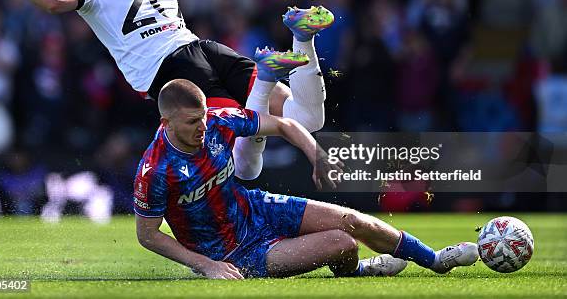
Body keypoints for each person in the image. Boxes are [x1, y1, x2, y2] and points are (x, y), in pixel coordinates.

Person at [0, 0, 334, 181]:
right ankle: (301, 38)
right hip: (205, 49)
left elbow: (54, 0)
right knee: (306, 118)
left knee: (243, 168)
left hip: (174, 73)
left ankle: (267, 77)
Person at [134, 78, 479, 279]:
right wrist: (207, 265)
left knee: (353, 220)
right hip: (233, 253)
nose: (203, 126)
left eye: (203, 116)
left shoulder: (219, 121)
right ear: (166, 123)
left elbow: (284, 124)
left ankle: (436, 260)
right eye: (192, 122)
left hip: (256, 209)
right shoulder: (155, 170)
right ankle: (359, 271)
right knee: (343, 243)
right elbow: (148, 235)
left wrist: (317, 155)